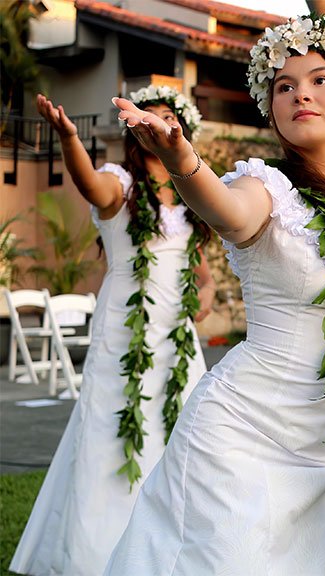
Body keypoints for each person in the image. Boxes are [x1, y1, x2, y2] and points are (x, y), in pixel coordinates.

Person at [105, 16, 325, 574]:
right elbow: (228, 211)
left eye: (319, 80)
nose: (300, 94)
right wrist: (182, 161)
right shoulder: (267, 187)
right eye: (283, 86)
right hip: (240, 433)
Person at [10, 86, 213, 576]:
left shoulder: (191, 198)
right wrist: (69, 140)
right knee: (110, 434)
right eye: (149, 116)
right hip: (125, 328)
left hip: (176, 339)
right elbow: (89, 185)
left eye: (167, 117)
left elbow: (201, 274)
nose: (156, 123)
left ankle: (166, 551)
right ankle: (95, 556)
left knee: (177, 432)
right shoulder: (119, 185)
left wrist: (202, 299)